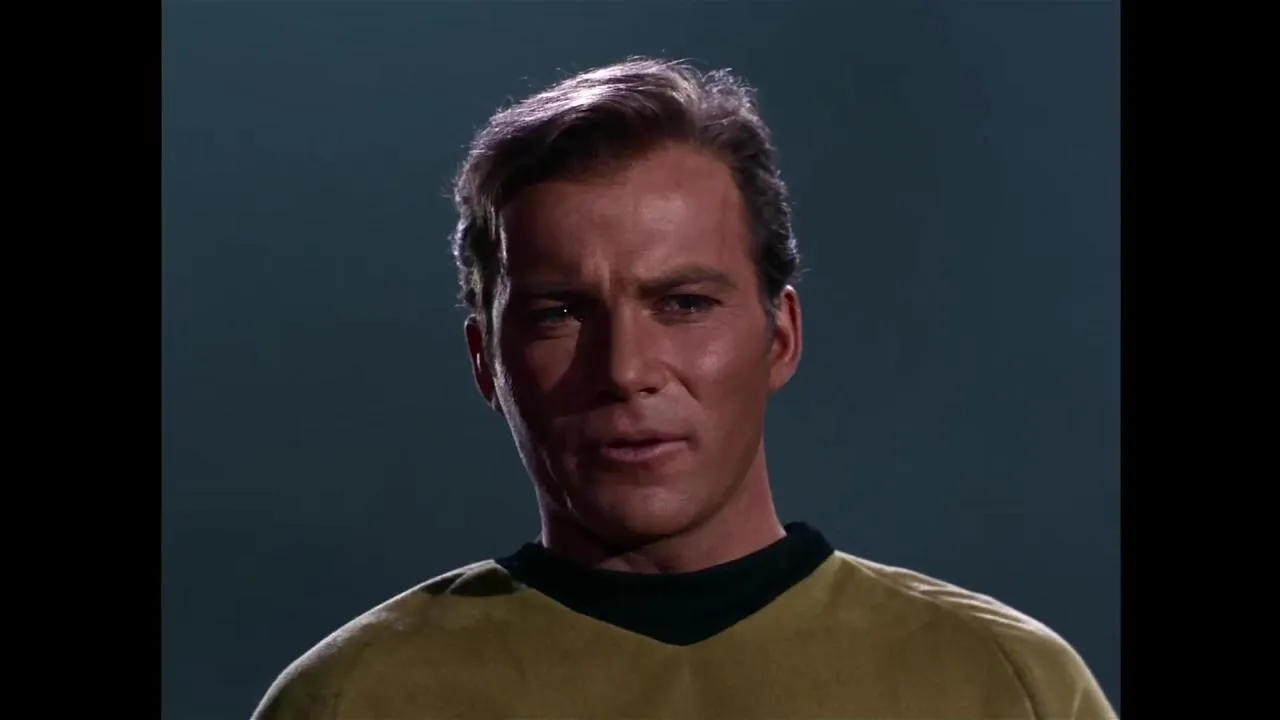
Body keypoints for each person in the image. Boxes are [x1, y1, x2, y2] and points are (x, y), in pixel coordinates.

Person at [251, 56, 1117, 719]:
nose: (626, 370)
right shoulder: (355, 699)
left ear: (781, 336)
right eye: (560, 313)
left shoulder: (1009, 687)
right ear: (487, 361)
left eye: (684, 304)